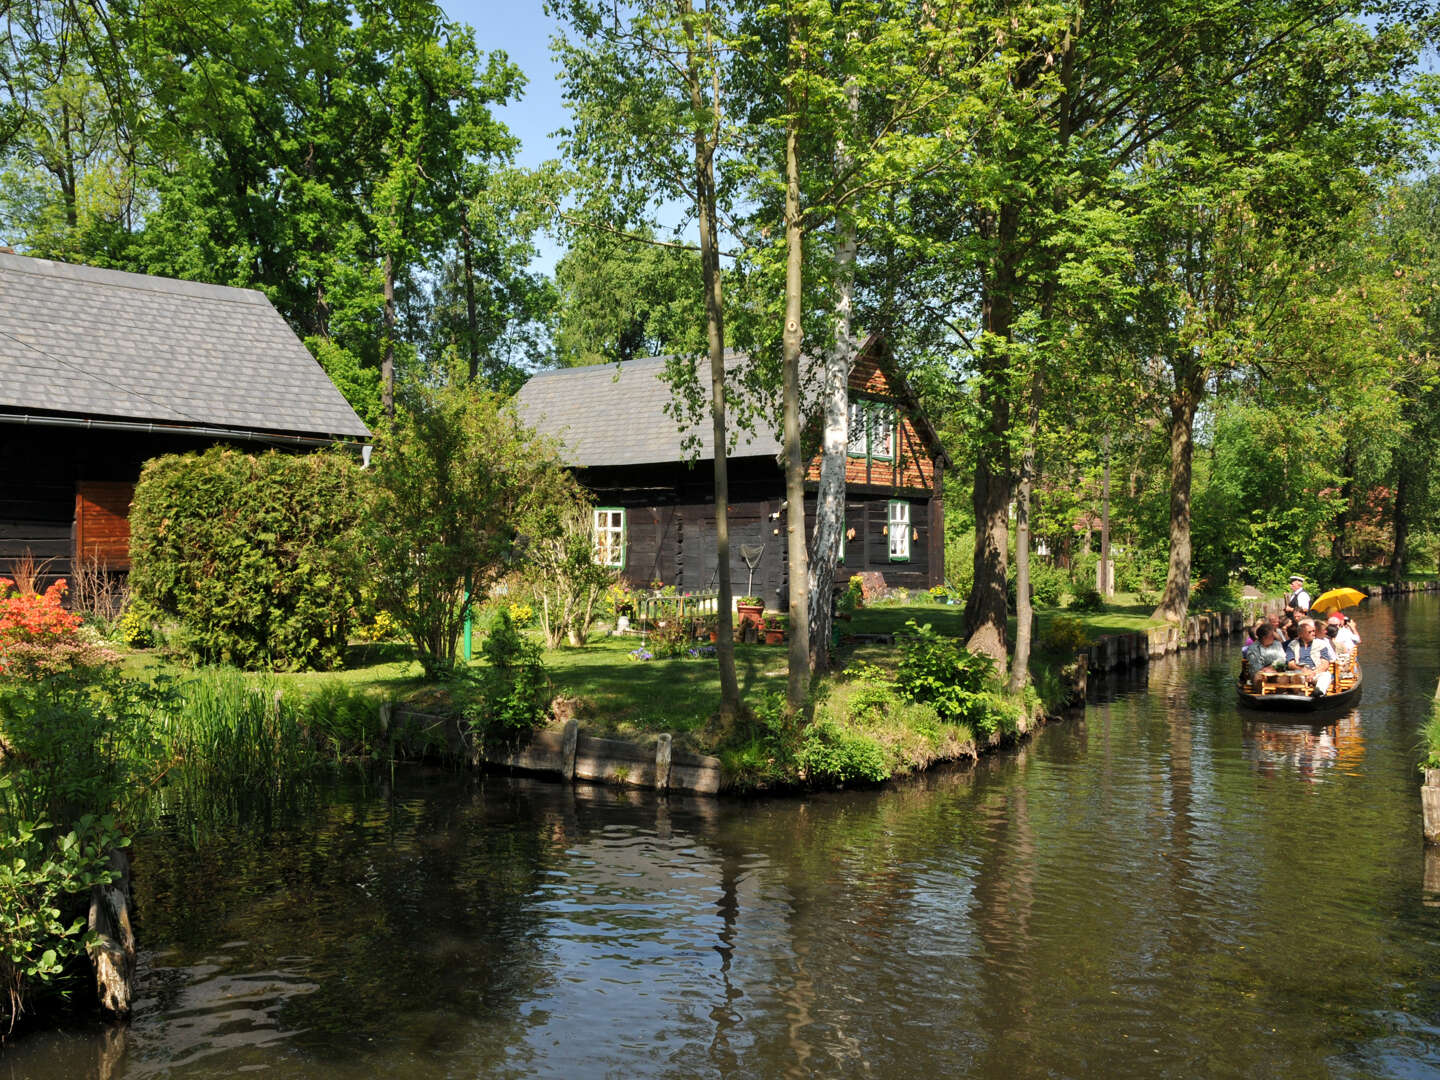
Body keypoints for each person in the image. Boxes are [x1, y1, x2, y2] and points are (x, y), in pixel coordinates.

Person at [1286, 618, 1335, 695]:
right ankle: (1299, 696)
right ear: (1301, 634)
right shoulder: (1292, 645)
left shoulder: (1321, 644)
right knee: (1296, 676)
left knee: (1326, 675)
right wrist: (1304, 671)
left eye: (1313, 631)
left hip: (1316, 672)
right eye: (1310, 632)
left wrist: (1313, 673)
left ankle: (1319, 692)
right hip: (1300, 672)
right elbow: (1291, 663)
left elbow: (1325, 664)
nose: (1313, 633)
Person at [1246, 623, 1289, 691]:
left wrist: (1273, 667)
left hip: (1276, 671)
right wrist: (1265, 671)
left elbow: (1282, 658)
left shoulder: (1277, 644)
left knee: (1284, 678)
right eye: (1271, 635)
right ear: (1264, 637)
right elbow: (1255, 666)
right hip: (1260, 672)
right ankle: (1261, 695)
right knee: (1259, 678)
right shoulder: (1253, 648)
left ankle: (1280, 695)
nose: (1273, 637)